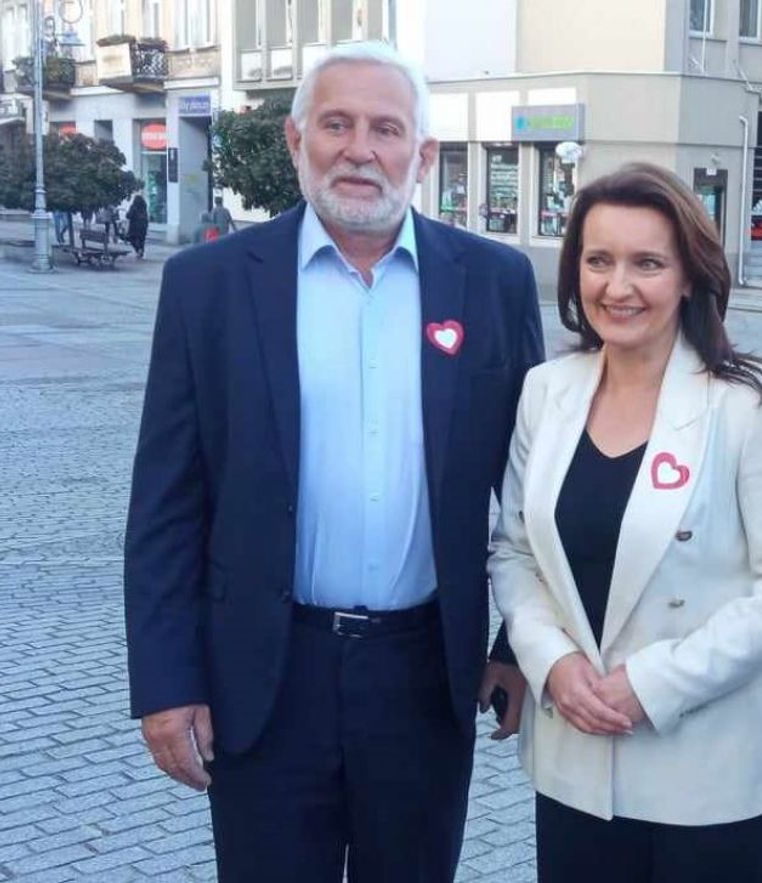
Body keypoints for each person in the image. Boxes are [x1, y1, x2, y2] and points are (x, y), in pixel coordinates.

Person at [124, 41, 544, 883]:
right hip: (265, 675)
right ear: (296, 140)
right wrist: (167, 682)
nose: (360, 150)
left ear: (423, 153)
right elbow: (167, 502)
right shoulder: (209, 284)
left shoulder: (494, 281)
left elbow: (534, 488)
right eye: (336, 125)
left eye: (386, 129)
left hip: (425, 675)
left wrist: (517, 643)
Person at [489, 162, 762, 883]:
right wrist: (550, 662)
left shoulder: (752, 402)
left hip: (712, 768)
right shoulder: (546, 391)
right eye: (599, 261)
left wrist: (654, 684)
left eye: (647, 263)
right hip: (576, 756)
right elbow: (516, 552)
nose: (618, 286)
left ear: (688, 278)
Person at [126, 194, 149, 259]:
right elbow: (146, 217)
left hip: (134, 227)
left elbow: (129, 216)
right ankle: (141, 251)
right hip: (143, 226)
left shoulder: (133, 207)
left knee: (131, 238)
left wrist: (128, 214)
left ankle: (138, 250)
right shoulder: (144, 207)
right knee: (142, 240)